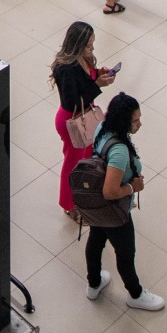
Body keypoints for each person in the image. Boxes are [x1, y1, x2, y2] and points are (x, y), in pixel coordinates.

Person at [84, 93, 165, 311]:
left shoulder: (102, 128)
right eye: (135, 121)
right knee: (126, 253)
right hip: (114, 212)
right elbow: (110, 191)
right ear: (123, 121)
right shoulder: (119, 151)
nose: (140, 124)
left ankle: (94, 283)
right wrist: (132, 187)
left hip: (96, 206)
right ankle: (136, 294)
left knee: (96, 240)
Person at [51, 22, 114, 216]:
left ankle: (84, 192)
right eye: (88, 45)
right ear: (77, 45)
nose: (92, 48)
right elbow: (72, 103)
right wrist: (97, 84)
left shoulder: (85, 59)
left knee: (87, 158)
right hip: (73, 121)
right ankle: (69, 205)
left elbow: (87, 80)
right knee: (73, 164)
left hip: (87, 117)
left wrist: (98, 75)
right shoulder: (65, 69)